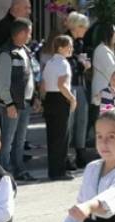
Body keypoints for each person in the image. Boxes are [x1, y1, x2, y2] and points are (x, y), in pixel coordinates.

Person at [0, 18, 38, 182]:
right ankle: (3, 171)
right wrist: (9, 103)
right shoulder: (6, 53)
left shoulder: (25, 50)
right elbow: (3, 82)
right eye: (29, 32)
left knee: (20, 139)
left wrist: (35, 97)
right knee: (7, 139)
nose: (30, 36)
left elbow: (30, 76)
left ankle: (19, 169)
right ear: (21, 33)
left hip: (25, 102)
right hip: (12, 104)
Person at [43, 35, 77, 181]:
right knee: (62, 136)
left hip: (49, 99)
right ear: (60, 48)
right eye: (69, 46)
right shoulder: (63, 63)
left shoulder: (49, 62)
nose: (71, 49)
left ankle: (53, 170)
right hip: (60, 99)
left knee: (52, 136)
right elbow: (61, 85)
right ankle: (60, 171)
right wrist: (72, 98)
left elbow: (43, 84)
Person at [64, 12, 91, 168]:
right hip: (69, 84)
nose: (85, 30)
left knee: (82, 119)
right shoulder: (66, 40)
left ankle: (81, 152)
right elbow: (68, 62)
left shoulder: (80, 42)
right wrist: (81, 63)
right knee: (70, 121)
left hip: (80, 83)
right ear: (77, 26)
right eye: (84, 27)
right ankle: (66, 155)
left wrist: (85, 64)